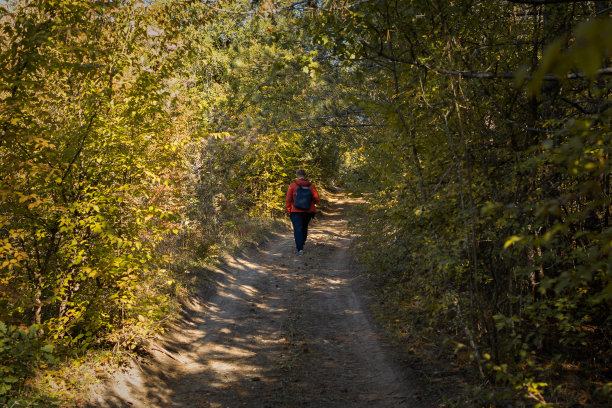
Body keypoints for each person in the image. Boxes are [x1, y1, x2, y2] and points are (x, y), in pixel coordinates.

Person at [286, 169, 319, 256]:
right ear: (305, 176)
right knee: (304, 227)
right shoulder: (311, 186)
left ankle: (300, 249)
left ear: (297, 176)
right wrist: (310, 203)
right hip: (308, 211)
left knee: (297, 229)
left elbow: (288, 200)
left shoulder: (292, 186)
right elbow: (317, 199)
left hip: (295, 211)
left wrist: (288, 210)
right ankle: (302, 242)